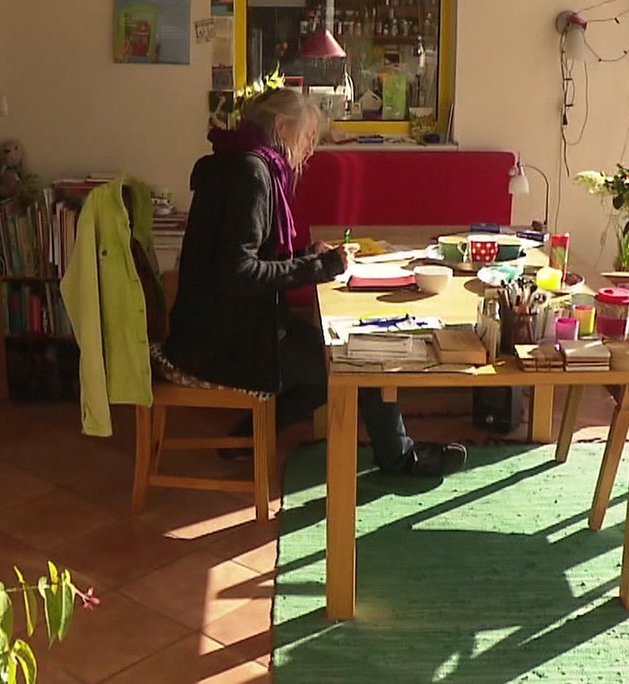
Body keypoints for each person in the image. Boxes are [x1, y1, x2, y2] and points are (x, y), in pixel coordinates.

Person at [157, 88, 466, 477]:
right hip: (224, 342)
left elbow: (247, 261)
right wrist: (320, 267)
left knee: (333, 357)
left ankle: (251, 435)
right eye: (307, 138)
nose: (310, 150)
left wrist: (307, 256)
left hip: (213, 327)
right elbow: (239, 273)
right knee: (356, 363)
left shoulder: (236, 161)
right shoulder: (251, 174)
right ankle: (400, 459)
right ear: (281, 127)